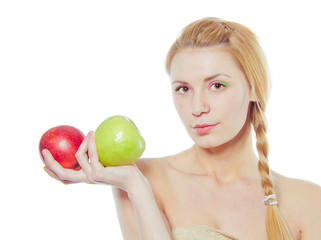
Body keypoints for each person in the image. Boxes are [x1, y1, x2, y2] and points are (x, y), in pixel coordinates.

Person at [42, 17, 321, 240]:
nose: (197, 107)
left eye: (217, 85)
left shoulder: (308, 201)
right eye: (183, 89)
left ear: (254, 89)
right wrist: (135, 186)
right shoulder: (142, 179)